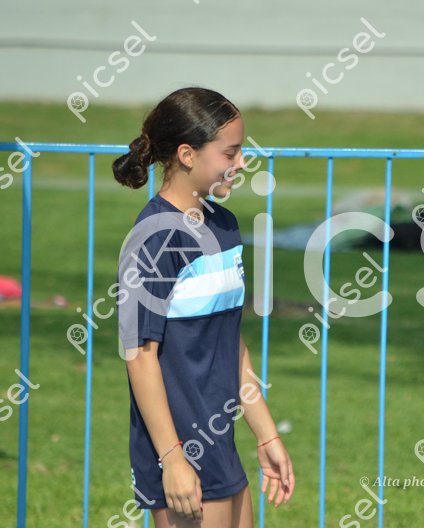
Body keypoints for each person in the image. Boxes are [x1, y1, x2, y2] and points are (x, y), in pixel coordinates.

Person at [113, 87, 295, 527]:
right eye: (230, 152)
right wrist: (172, 458)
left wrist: (266, 434)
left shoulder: (225, 226)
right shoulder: (154, 239)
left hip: (222, 449)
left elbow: (231, 344)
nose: (242, 162)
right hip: (180, 454)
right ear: (187, 154)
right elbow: (140, 357)